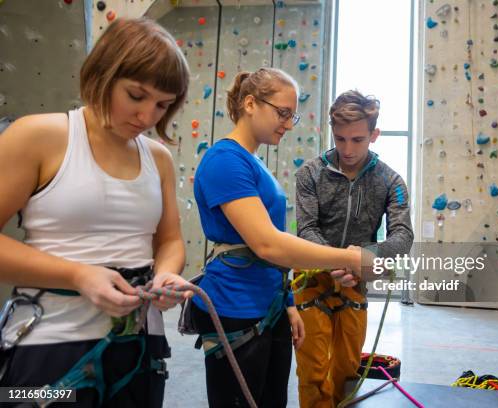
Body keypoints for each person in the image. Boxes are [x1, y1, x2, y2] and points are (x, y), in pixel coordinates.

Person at [0, 18, 192, 406]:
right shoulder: (36, 136)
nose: (147, 116)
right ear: (104, 74)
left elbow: (169, 239)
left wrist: (167, 273)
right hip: (50, 344)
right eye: (136, 95)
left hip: (140, 346)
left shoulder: (159, 158)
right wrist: (78, 275)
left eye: (162, 105)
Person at [191, 68, 363, 408]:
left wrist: (287, 305)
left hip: (267, 304)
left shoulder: (253, 162)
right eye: (282, 113)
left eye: (292, 115)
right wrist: (347, 257)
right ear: (251, 104)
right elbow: (267, 244)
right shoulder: (225, 160)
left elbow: (273, 247)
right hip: (236, 305)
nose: (287, 123)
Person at [294, 90, 414, 407]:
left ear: (374, 134)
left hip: (355, 282)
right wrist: (338, 261)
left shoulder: (391, 181)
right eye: (340, 138)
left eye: (358, 139)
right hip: (312, 280)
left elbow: (402, 236)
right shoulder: (310, 173)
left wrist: (366, 258)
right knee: (314, 371)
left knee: (347, 370)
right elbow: (306, 228)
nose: (348, 149)